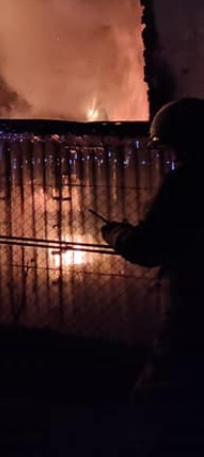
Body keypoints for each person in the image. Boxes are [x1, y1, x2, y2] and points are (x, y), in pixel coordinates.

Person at [100, 97, 204, 454]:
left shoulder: (187, 182)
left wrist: (114, 233)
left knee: (161, 395)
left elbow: (147, 246)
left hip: (194, 304)